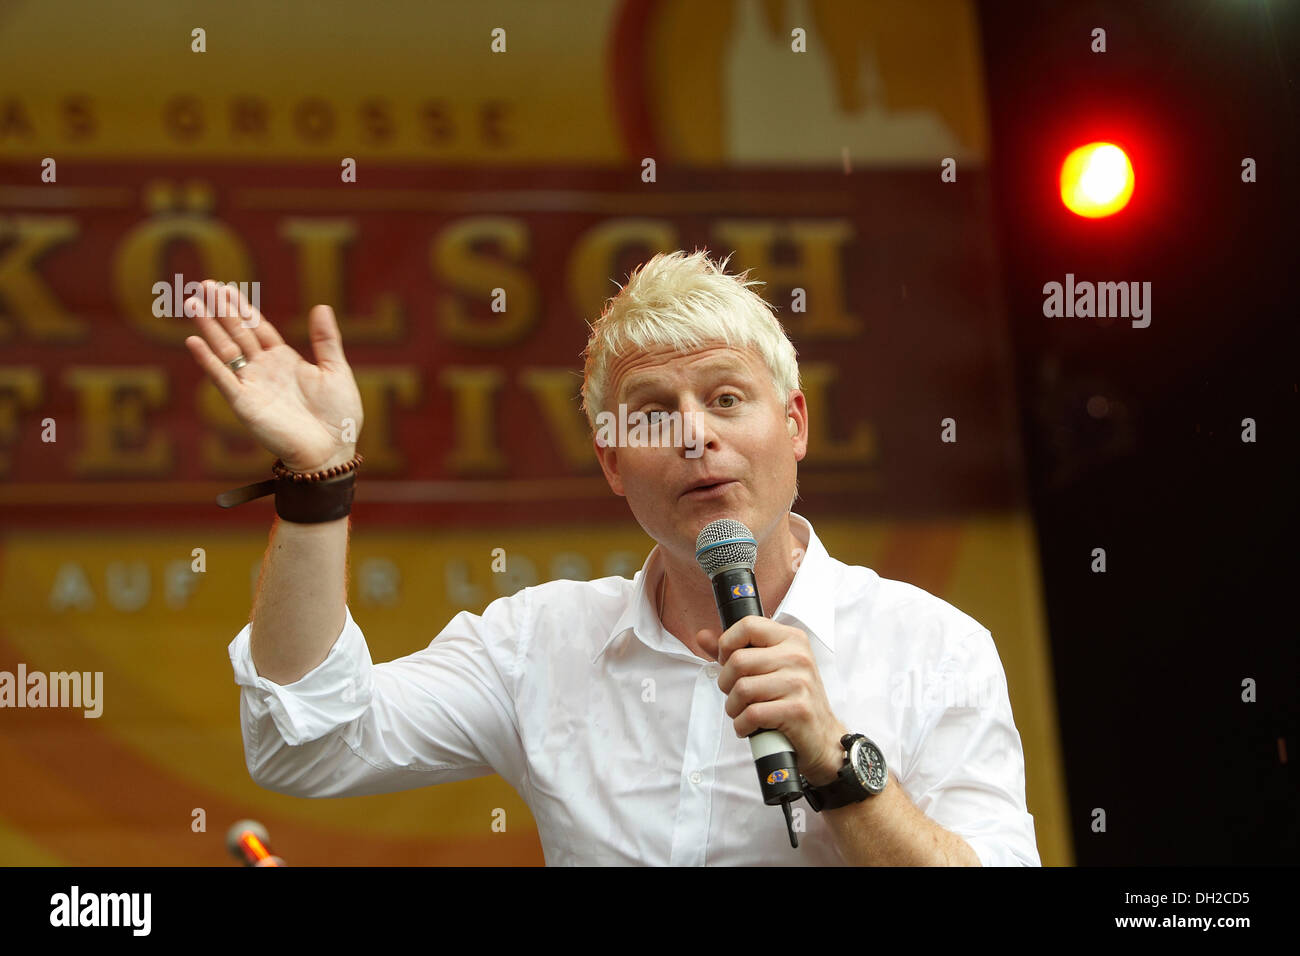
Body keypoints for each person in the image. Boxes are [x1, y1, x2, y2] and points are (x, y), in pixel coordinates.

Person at [184, 249, 1041, 866]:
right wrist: (317, 479)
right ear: (610, 461)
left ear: (796, 426)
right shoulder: (537, 645)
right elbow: (308, 740)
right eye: (654, 411)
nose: (695, 434)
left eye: (727, 398)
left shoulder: (935, 646)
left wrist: (837, 765)